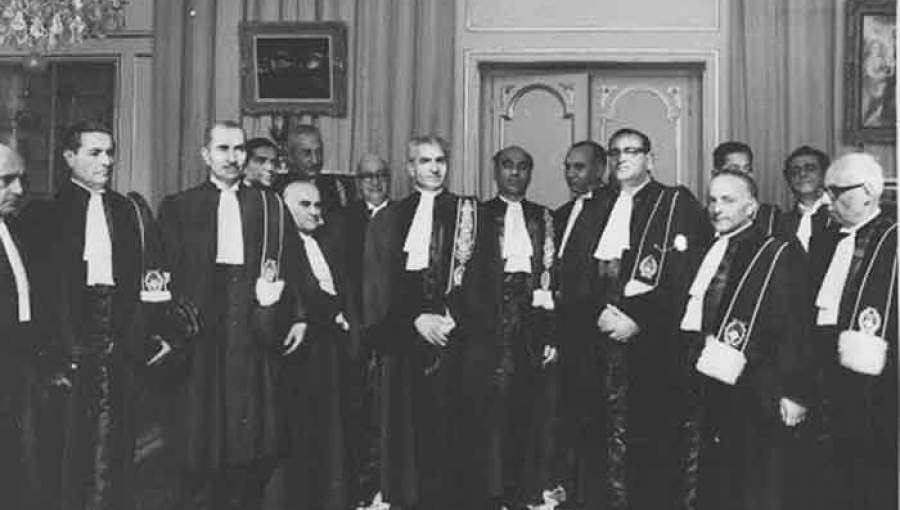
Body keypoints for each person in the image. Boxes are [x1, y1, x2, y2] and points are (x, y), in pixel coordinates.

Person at [157, 120, 307, 510]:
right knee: (201, 440)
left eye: (239, 149)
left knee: (252, 440)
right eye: (223, 149)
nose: (232, 157)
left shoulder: (268, 205)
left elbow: (293, 264)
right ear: (205, 154)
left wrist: (299, 316)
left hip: (252, 333)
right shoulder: (179, 206)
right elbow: (164, 273)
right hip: (201, 337)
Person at [572, 127, 711, 509]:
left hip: (651, 341)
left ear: (650, 159)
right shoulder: (598, 205)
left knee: (649, 434)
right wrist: (596, 313)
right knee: (597, 431)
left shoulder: (675, 202)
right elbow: (576, 272)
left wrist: (639, 321)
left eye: (631, 151)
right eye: (615, 152)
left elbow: (688, 276)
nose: (622, 158)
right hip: (598, 337)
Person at [30, 121, 160, 509]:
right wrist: (54, 352)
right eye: (95, 153)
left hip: (118, 348)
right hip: (68, 348)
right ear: (69, 157)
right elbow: (42, 293)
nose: (106, 161)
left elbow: (141, 281)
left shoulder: (126, 211)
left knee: (116, 445)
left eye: (110, 153)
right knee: (66, 447)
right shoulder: (46, 215)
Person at [679, 170, 812, 510]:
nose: (716, 208)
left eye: (728, 200)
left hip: (756, 385)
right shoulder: (704, 249)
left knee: (751, 481)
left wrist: (794, 390)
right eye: (712, 200)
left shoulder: (777, 251)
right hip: (705, 381)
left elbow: (795, 326)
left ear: (751, 207)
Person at [365, 135, 477, 509]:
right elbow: (379, 288)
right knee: (408, 432)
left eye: (440, 160)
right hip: (404, 339)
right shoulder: (390, 218)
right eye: (425, 161)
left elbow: (483, 280)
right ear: (410, 168)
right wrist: (414, 320)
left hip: (453, 337)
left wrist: (454, 318)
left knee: (451, 430)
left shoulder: (468, 213)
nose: (434, 168)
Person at [462, 146, 560, 509]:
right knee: (488, 409)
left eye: (522, 167)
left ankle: (520, 490)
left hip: (529, 326)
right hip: (486, 325)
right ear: (495, 171)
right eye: (507, 166)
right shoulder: (479, 215)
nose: (514, 173)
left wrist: (550, 333)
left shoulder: (543, 217)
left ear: (530, 173)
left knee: (525, 407)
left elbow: (552, 278)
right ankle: (489, 492)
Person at [812, 153, 896, 510]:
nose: (827, 200)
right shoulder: (825, 240)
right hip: (827, 371)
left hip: (882, 385)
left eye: (837, 191)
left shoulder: (892, 238)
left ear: (868, 192)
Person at [281, 179, 350, 510]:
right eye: (305, 204)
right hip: (302, 353)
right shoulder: (283, 249)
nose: (314, 211)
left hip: (329, 349)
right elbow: (304, 296)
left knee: (330, 433)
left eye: (318, 205)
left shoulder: (324, 243)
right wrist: (333, 310)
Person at [330, 153, 393, 507]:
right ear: (357, 182)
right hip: (352, 329)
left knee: (390, 413)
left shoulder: (401, 217)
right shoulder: (341, 220)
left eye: (381, 175)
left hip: (391, 333)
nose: (375, 182)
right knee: (355, 411)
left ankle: (387, 488)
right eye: (368, 176)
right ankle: (358, 491)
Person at [550, 140, 608, 497]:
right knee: (565, 409)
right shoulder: (560, 213)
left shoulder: (613, 209)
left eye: (580, 167)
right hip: (565, 328)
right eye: (568, 167)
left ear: (600, 170)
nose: (571, 174)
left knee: (595, 414)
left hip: (596, 330)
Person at [0, 144, 41, 509]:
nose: (19, 190)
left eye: (21, 179)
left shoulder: (15, 228)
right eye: (6, 180)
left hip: (17, 370)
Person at [282, 124, 356, 219]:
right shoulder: (279, 190)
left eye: (319, 152)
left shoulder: (335, 188)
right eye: (307, 153)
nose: (315, 160)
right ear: (291, 156)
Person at [713, 141, 782, 236]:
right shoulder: (704, 218)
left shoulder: (772, 217)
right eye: (734, 170)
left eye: (748, 169)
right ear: (716, 174)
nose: (744, 175)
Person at [780, 146, 835, 252]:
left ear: (825, 174)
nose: (802, 174)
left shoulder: (839, 216)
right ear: (787, 178)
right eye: (795, 170)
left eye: (810, 169)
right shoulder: (781, 223)